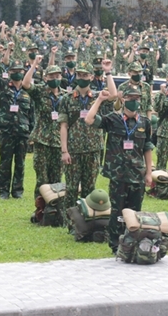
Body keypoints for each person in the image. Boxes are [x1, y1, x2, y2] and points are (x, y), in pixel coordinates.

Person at [84, 84, 153, 254]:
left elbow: (147, 148)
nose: (134, 102)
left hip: (137, 174)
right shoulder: (113, 119)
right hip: (118, 174)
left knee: (135, 211)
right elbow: (89, 119)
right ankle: (115, 244)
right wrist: (100, 99)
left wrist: (149, 173)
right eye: (131, 99)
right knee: (117, 211)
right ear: (123, 100)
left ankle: (132, 242)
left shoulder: (145, 123)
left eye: (137, 99)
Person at [60, 61, 115, 226]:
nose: (82, 78)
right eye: (79, 75)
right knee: (70, 187)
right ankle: (68, 221)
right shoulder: (67, 99)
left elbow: (113, 95)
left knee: (89, 187)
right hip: (73, 149)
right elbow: (63, 125)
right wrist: (64, 151)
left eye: (85, 75)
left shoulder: (99, 96)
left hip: (93, 149)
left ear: (91, 77)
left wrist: (108, 72)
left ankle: (86, 219)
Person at [0, 49, 40, 199]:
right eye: (14, 71)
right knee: (5, 162)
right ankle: (3, 191)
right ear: (9, 72)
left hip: (23, 132)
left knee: (20, 163)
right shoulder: (3, 86)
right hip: (6, 131)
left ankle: (17, 190)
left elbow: (32, 114)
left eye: (19, 71)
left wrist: (32, 133)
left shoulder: (28, 90)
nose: (17, 73)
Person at [29, 64, 65, 198]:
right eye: (51, 76)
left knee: (56, 178)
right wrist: (33, 66)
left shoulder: (65, 96)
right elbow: (26, 84)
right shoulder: (40, 92)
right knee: (42, 177)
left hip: (59, 142)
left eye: (57, 76)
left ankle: (54, 210)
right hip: (42, 140)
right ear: (45, 78)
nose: (55, 79)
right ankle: (40, 209)